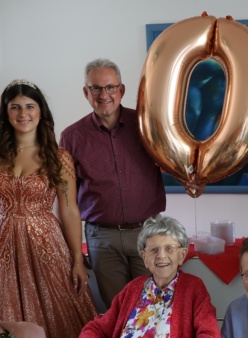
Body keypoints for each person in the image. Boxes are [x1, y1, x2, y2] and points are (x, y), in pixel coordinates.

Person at [0, 79, 97, 338]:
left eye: (30, 106)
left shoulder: (58, 157)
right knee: (0, 314)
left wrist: (76, 259)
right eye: (15, 107)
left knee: (57, 313)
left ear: (41, 112)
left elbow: (70, 210)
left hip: (45, 245)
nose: (23, 113)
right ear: (6, 113)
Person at [59, 58, 203, 309]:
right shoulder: (71, 137)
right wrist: (75, 256)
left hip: (147, 232)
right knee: (118, 309)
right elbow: (67, 202)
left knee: (156, 304)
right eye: (96, 88)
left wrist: (192, 180)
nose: (104, 95)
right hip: (102, 237)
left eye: (110, 87)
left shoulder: (146, 125)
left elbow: (174, 162)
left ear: (121, 90)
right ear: (86, 92)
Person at [63, 215, 221, 338]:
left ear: (182, 255)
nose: (161, 256)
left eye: (169, 249)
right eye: (154, 250)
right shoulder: (134, 288)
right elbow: (100, 327)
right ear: (145, 258)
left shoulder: (193, 288)